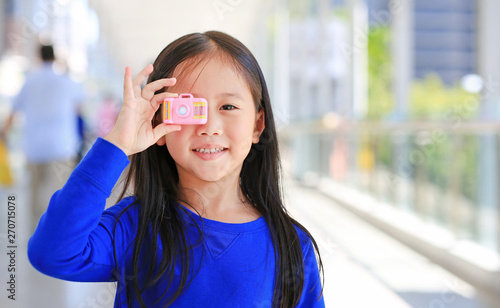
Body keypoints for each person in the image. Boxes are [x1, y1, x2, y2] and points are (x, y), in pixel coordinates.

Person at [27, 31, 324, 307]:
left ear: (258, 124)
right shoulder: (135, 227)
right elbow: (52, 252)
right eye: (190, 108)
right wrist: (117, 145)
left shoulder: (292, 245)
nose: (209, 127)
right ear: (160, 122)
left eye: (228, 107)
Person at [1, 44, 85, 225]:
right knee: (59, 195)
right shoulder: (65, 81)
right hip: (61, 147)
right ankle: (55, 235)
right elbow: (79, 106)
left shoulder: (30, 81)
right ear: (55, 58)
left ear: (39, 56)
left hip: (34, 147)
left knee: (34, 193)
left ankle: (35, 236)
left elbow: (14, 111)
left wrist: (3, 133)